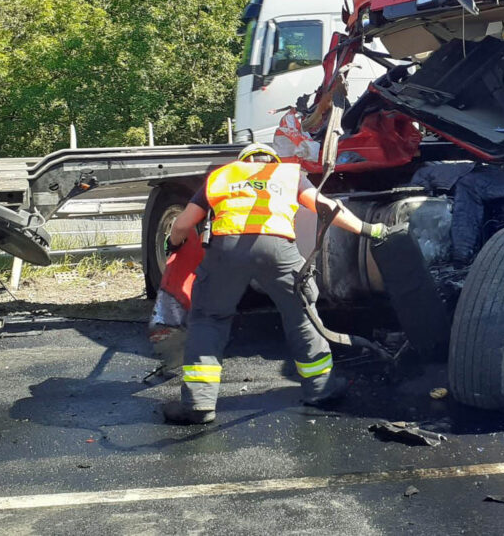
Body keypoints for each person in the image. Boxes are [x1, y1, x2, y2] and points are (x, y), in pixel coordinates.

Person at [161, 142, 387, 425]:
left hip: (226, 250)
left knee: (209, 318)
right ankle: (320, 389)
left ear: (242, 161)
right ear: (272, 159)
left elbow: (183, 224)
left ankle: (198, 404)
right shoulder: (286, 174)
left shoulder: (222, 175)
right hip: (278, 248)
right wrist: (370, 229)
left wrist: (174, 244)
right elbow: (327, 208)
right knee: (302, 316)